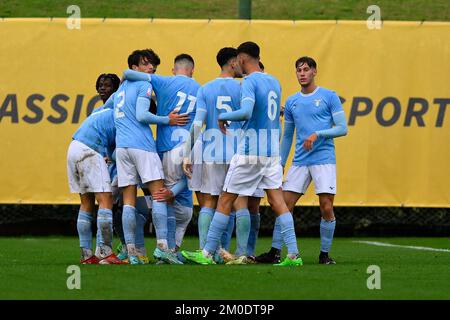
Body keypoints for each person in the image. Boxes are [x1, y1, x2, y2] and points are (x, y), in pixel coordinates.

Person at [182, 41, 302, 266]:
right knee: (278, 202)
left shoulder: (248, 82)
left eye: (239, 60)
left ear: (243, 60)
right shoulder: (274, 81)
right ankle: (294, 255)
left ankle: (207, 253)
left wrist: (224, 116)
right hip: (271, 153)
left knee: (225, 200)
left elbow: (246, 111)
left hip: (250, 152)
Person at [257, 56, 348, 265]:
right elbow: (288, 135)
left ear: (314, 71)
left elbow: (342, 128)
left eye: (306, 69)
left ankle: (324, 254)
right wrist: (280, 163)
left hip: (324, 159)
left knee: (326, 207)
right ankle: (275, 252)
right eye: (299, 70)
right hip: (300, 161)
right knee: (284, 205)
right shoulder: (291, 101)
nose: (302, 73)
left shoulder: (328, 96)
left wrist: (318, 133)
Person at [112, 49, 189, 264]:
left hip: (122, 148)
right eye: (146, 64)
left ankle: (132, 253)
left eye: (153, 64)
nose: (151, 68)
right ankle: (163, 247)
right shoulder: (143, 85)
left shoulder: (119, 91)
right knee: (158, 194)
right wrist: (168, 120)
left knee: (128, 201)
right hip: (142, 146)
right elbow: (142, 115)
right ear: (134, 67)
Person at [67, 107, 124, 264]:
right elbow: (118, 152)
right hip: (89, 150)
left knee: (86, 203)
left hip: (73, 148)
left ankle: (86, 256)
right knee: (106, 199)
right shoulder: (125, 117)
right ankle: (105, 253)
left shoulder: (103, 111)